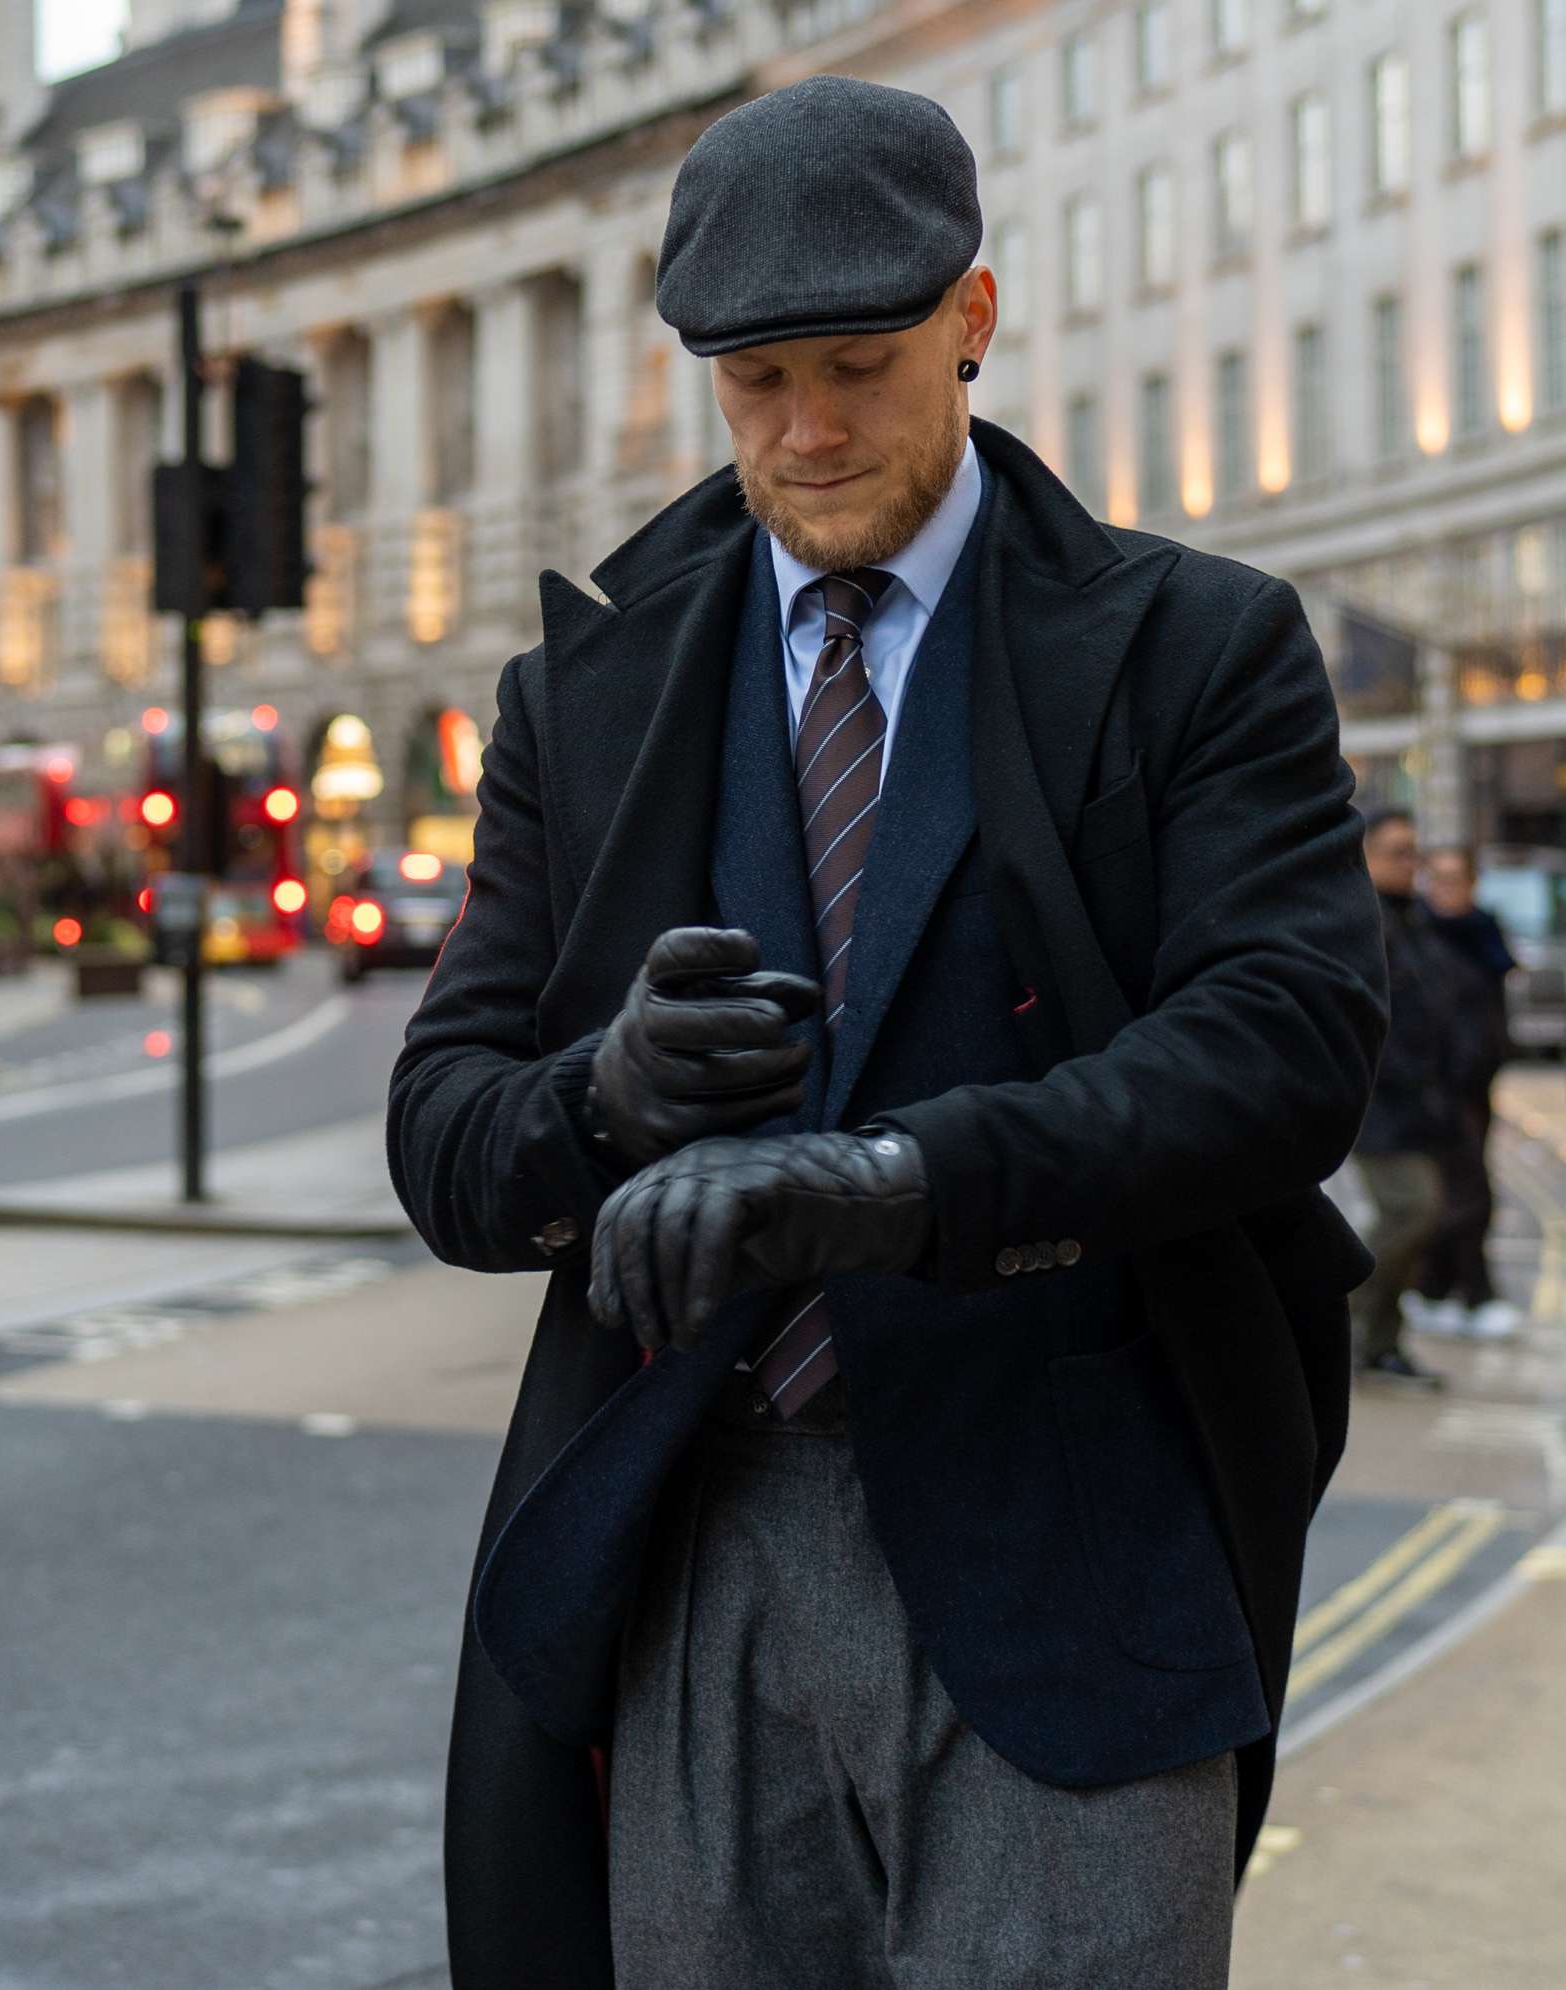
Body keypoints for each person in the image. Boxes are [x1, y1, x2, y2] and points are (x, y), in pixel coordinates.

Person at [389, 77, 1387, 1990]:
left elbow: (1281, 1045)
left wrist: (895, 1182)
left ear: (975, 320)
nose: (808, 429)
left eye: (859, 362)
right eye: (753, 382)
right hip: (690, 1546)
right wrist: (601, 1104)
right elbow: (441, 1135)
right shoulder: (578, 697)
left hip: (1076, 1538)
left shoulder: (1198, 647)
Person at [1348, 810, 1465, 1388]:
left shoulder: (1412, 918)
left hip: (1420, 1106)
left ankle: (1381, 1342)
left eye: (1414, 852)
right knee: (1410, 1209)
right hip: (1379, 1106)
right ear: (1365, 853)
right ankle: (1348, 1324)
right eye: (1397, 851)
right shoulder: (1363, 919)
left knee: (1422, 1215)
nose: (1410, 864)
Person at [1413, 845, 1520, 1339]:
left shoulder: (1484, 935)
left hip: (1477, 1087)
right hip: (1440, 1090)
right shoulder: (1420, 938)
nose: (1445, 890)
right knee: (1465, 1196)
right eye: (1437, 880)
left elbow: (1491, 1018)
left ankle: (1437, 1290)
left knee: (1462, 1193)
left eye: (1455, 880)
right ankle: (1467, 1293)